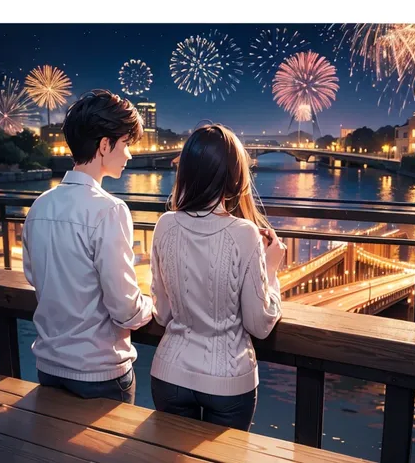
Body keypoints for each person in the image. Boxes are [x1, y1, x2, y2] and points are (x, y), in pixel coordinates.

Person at [149, 124, 285, 430]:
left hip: (169, 374)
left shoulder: (165, 225)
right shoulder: (244, 234)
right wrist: (271, 268)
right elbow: (259, 325)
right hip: (228, 382)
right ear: (234, 176)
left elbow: (163, 314)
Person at [22, 89, 153, 404]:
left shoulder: (39, 206)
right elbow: (124, 309)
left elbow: (32, 275)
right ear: (105, 145)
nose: (130, 155)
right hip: (100, 373)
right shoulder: (109, 210)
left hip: (49, 366)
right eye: (126, 144)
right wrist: (149, 305)